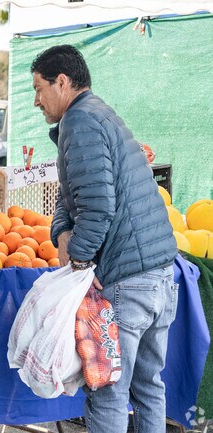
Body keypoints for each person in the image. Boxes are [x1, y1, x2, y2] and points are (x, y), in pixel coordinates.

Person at [30, 45, 178, 433]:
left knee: (109, 392)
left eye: (39, 89)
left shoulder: (81, 123)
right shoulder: (98, 114)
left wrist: (76, 260)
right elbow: (72, 196)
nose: (36, 101)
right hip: (160, 274)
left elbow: (96, 207)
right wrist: (60, 231)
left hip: (128, 282)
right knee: (148, 387)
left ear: (62, 82)